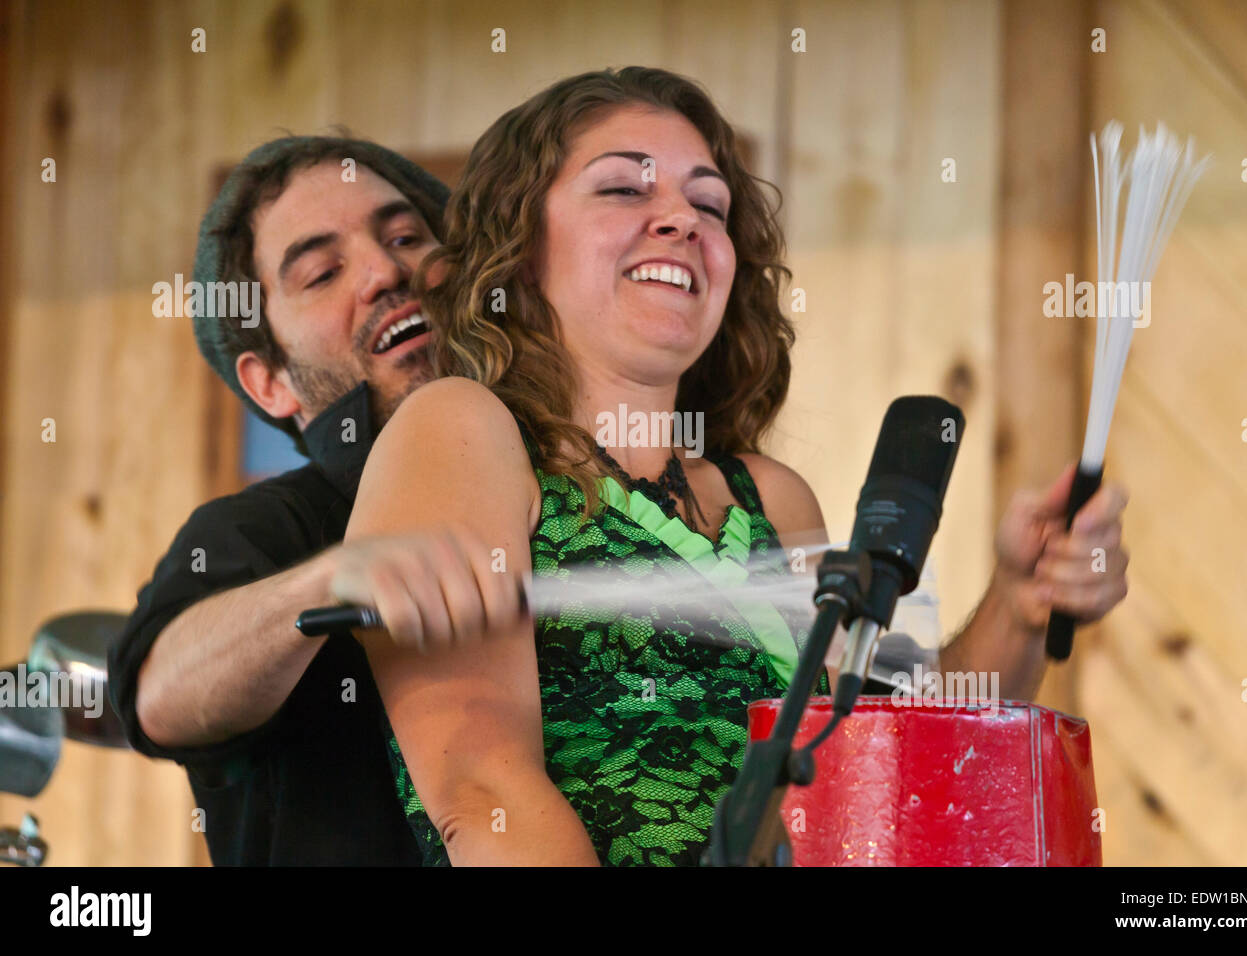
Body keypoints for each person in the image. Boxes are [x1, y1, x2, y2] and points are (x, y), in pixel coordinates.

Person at [336, 67, 1131, 866]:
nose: (680, 219)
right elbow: (484, 794)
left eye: (708, 204)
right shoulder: (458, 427)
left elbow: (882, 767)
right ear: (519, 247)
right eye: (623, 190)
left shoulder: (772, 499)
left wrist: (1021, 604)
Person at [107, 136, 469, 865]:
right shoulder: (259, 529)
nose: (385, 270)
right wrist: (330, 582)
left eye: (405, 236)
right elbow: (159, 695)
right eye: (322, 272)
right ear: (269, 382)